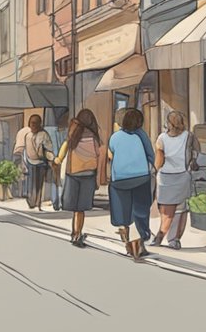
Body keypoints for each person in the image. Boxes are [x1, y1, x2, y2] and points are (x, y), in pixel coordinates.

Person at [106, 108, 156, 261]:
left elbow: (111, 155)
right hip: (141, 177)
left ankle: (127, 238)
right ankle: (140, 242)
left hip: (120, 179)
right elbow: (151, 155)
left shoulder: (114, 137)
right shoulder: (142, 136)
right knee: (140, 210)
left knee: (123, 211)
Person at [57, 109, 104, 248]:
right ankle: (77, 233)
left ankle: (74, 233)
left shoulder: (73, 133)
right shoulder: (94, 138)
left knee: (75, 208)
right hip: (88, 175)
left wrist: (58, 159)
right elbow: (98, 155)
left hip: (73, 173)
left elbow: (65, 147)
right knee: (81, 209)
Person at [153, 111, 197, 249]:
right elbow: (196, 153)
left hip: (165, 177)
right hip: (183, 176)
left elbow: (159, 161)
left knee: (166, 210)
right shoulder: (189, 136)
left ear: (168, 123)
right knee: (180, 210)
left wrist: (154, 170)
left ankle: (160, 235)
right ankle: (174, 239)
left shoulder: (161, 138)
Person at [21, 114, 55, 211]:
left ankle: (38, 203)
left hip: (41, 163)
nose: (33, 125)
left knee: (39, 184)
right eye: (32, 123)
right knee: (31, 183)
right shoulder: (27, 136)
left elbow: (49, 148)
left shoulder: (44, 134)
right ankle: (31, 202)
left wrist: (50, 158)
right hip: (30, 162)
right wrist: (24, 162)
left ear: (40, 124)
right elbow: (25, 150)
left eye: (36, 123)